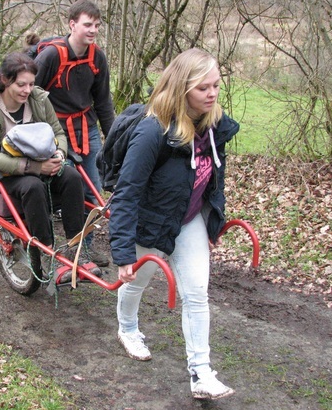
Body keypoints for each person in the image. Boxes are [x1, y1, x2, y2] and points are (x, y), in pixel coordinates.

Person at [109, 48, 239, 400]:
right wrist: (122, 254)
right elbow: (126, 192)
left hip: (190, 218)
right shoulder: (152, 132)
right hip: (151, 221)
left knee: (197, 294)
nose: (212, 95)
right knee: (136, 282)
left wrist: (212, 222)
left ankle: (201, 373)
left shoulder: (213, 126)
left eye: (215, 86)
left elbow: (215, 179)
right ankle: (128, 328)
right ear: (182, 89)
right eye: (203, 88)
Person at [0, 52, 101, 283]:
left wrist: (59, 153)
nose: (27, 90)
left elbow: (57, 132)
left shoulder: (38, 100)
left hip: (43, 162)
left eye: (31, 84)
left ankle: (75, 249)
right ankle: (49, 252)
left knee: (71, 176)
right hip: (8, 171)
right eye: (21, 85)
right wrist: (34, 167)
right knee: (33, 186)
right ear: (5, 80)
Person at [34, 0, 115, 267]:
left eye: (97, 25)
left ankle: (85, 250)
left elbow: (103, 102)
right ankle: (59, 246)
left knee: (92, 194)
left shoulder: (97, 57)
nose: (92, 30)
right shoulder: (51, 56)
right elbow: (30, 94)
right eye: (87, 24)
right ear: (72, 24)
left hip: (86, 129)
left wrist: (113, 139)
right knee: (70, 190)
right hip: (55, 132)